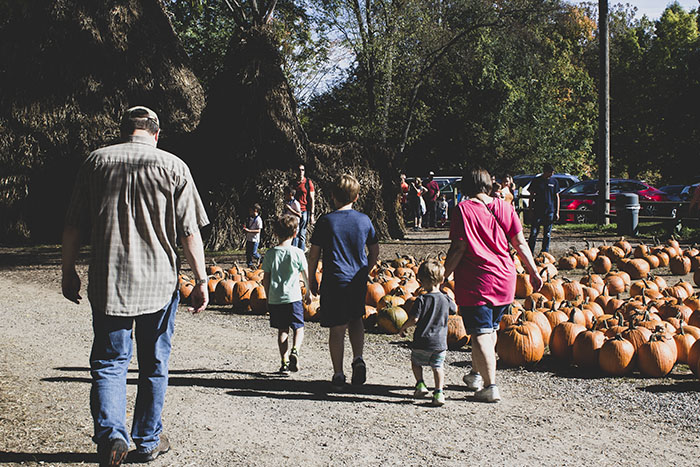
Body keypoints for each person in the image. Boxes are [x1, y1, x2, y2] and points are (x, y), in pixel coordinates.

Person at [61, 106, 209, 467]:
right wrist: (202, 280)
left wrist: (68, 270)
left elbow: (74, 225)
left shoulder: (95, 162)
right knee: (154, 364)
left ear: (125, 130)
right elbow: (189, 232)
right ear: (156, 134)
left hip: (109, 280)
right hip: (158, 284)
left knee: (110, 363)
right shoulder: (174, 167)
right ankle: (146, 441)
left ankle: (112, 433)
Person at [443, 167, 542, 403]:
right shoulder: (506, 207)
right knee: (491, 329)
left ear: (466, 186)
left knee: (479, 333)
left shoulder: (463, 210)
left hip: (477, 279)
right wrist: (533, 271)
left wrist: (442, 275)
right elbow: (520, 243)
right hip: (505, 278)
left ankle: (490, 386)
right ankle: (477, 374)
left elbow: (459, 248)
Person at [308, 174, 380, 391]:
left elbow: (313, 255)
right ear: (357, 197)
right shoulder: (364, 220)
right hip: (356, 280)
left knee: (337, 328)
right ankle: (358, 358)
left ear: (332, 196)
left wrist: (311, 279)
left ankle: (338, 373)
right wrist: (365, 270)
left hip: (334, 280)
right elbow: (375, 251)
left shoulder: (325, 221)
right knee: (356, 319)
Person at [398, 260, 456, 407]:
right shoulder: (445, 298)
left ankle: (420, 384)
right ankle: (438, 392)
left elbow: (415, 319)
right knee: (437, 367)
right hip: (440, 343)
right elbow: (454, 309)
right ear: (442, 280)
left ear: (420, 281)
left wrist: (404, 327)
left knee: (416, 363)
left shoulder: (421, 299)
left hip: (422, 341)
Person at [262, 214, 311, 374]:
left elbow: (266, 279)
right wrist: (309, 292)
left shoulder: (270, 254)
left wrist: (268, 297)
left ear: (275, 233)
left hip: (276, 299)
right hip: (294, 297)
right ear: (296, 233)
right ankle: (295, 350)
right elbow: (306, 274)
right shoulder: (297, 253)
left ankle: (284, 362)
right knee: (299, 327)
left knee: (282, 330)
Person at [527, 163, 560, 254]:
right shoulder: (537, 181)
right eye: (550, 172)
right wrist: (530, 210)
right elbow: (531, 196)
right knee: (534, 233)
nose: (552, 174)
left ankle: (544, 252)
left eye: (553, 172)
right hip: (537, 211)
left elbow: (557, 197)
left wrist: (557, 212)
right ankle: (530, 252)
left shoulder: (554, 182)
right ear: (545, 171)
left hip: (549, 211)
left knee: (547, 234)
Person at [293, 164, 315, 251]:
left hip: (304, 210)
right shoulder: (293, 183)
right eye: (299, 170)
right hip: (294, 211)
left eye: (302, 170)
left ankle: (301, 253)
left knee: (302, 233)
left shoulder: (308, 183)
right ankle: (294, 252)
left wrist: (312, 214)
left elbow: (312, 199)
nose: (301, 172)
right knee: (295, 233)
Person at [243, 203, 263, 268]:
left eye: (250, 210)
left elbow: (258, 230)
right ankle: (249, 264)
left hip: (255, 239)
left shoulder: (258, 219)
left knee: (254, 253)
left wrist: (249, 231)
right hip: (249, 238)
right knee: (248, 253)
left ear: (255, 210)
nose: (249, 212)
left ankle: (262, 259)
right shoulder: (250, 219)